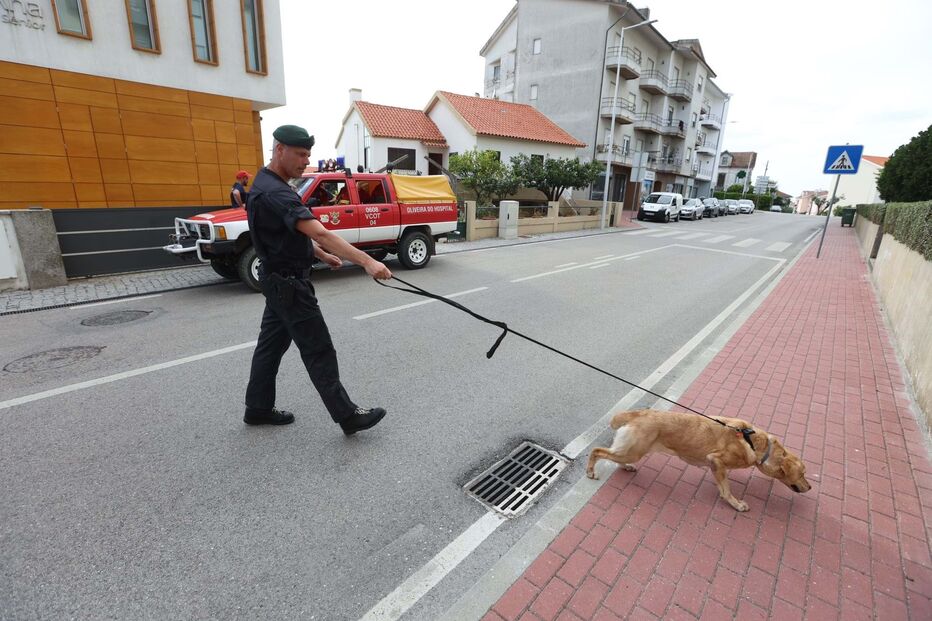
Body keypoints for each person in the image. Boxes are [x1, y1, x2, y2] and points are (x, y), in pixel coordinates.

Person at [243, 124, 392, 434]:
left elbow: (286, 234)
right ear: (279, 150)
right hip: (290, 286)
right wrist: (367, 261)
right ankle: (348, 415)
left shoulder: (264, 183)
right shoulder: (278, 193)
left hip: (276, 280)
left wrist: (321, 255)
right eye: (299, 154)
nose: (304, 161)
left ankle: (257, 408)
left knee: (269, 348)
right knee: (318, 349)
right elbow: (319, 230)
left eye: (308, 155)